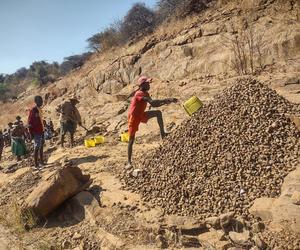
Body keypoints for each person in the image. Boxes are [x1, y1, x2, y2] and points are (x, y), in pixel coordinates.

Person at [127, 76, 178, 166]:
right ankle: (129, 162)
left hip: (141, 114)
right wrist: (167, 100)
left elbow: (155, 104)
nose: (149, 84)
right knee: (131, 140)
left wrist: (167, 101)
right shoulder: (139, 94)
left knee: (158, 113)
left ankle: (163, 134)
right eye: (147, 83)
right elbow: (153, 103)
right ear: (142, 85)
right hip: (134, 117)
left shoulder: (145, 93)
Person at [28, 96, 45, 169]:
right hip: (36, 131)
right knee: (37, 147)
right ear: (36, 101)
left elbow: (40, 120)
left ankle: (41, 162)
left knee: (41, 146)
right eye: (39, 101)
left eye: (41, 100)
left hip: (41, 130)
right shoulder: (33, 110)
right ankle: (36, 164)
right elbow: (29, 122)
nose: (41, 102)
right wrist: (31, 133)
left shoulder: (39, 109)